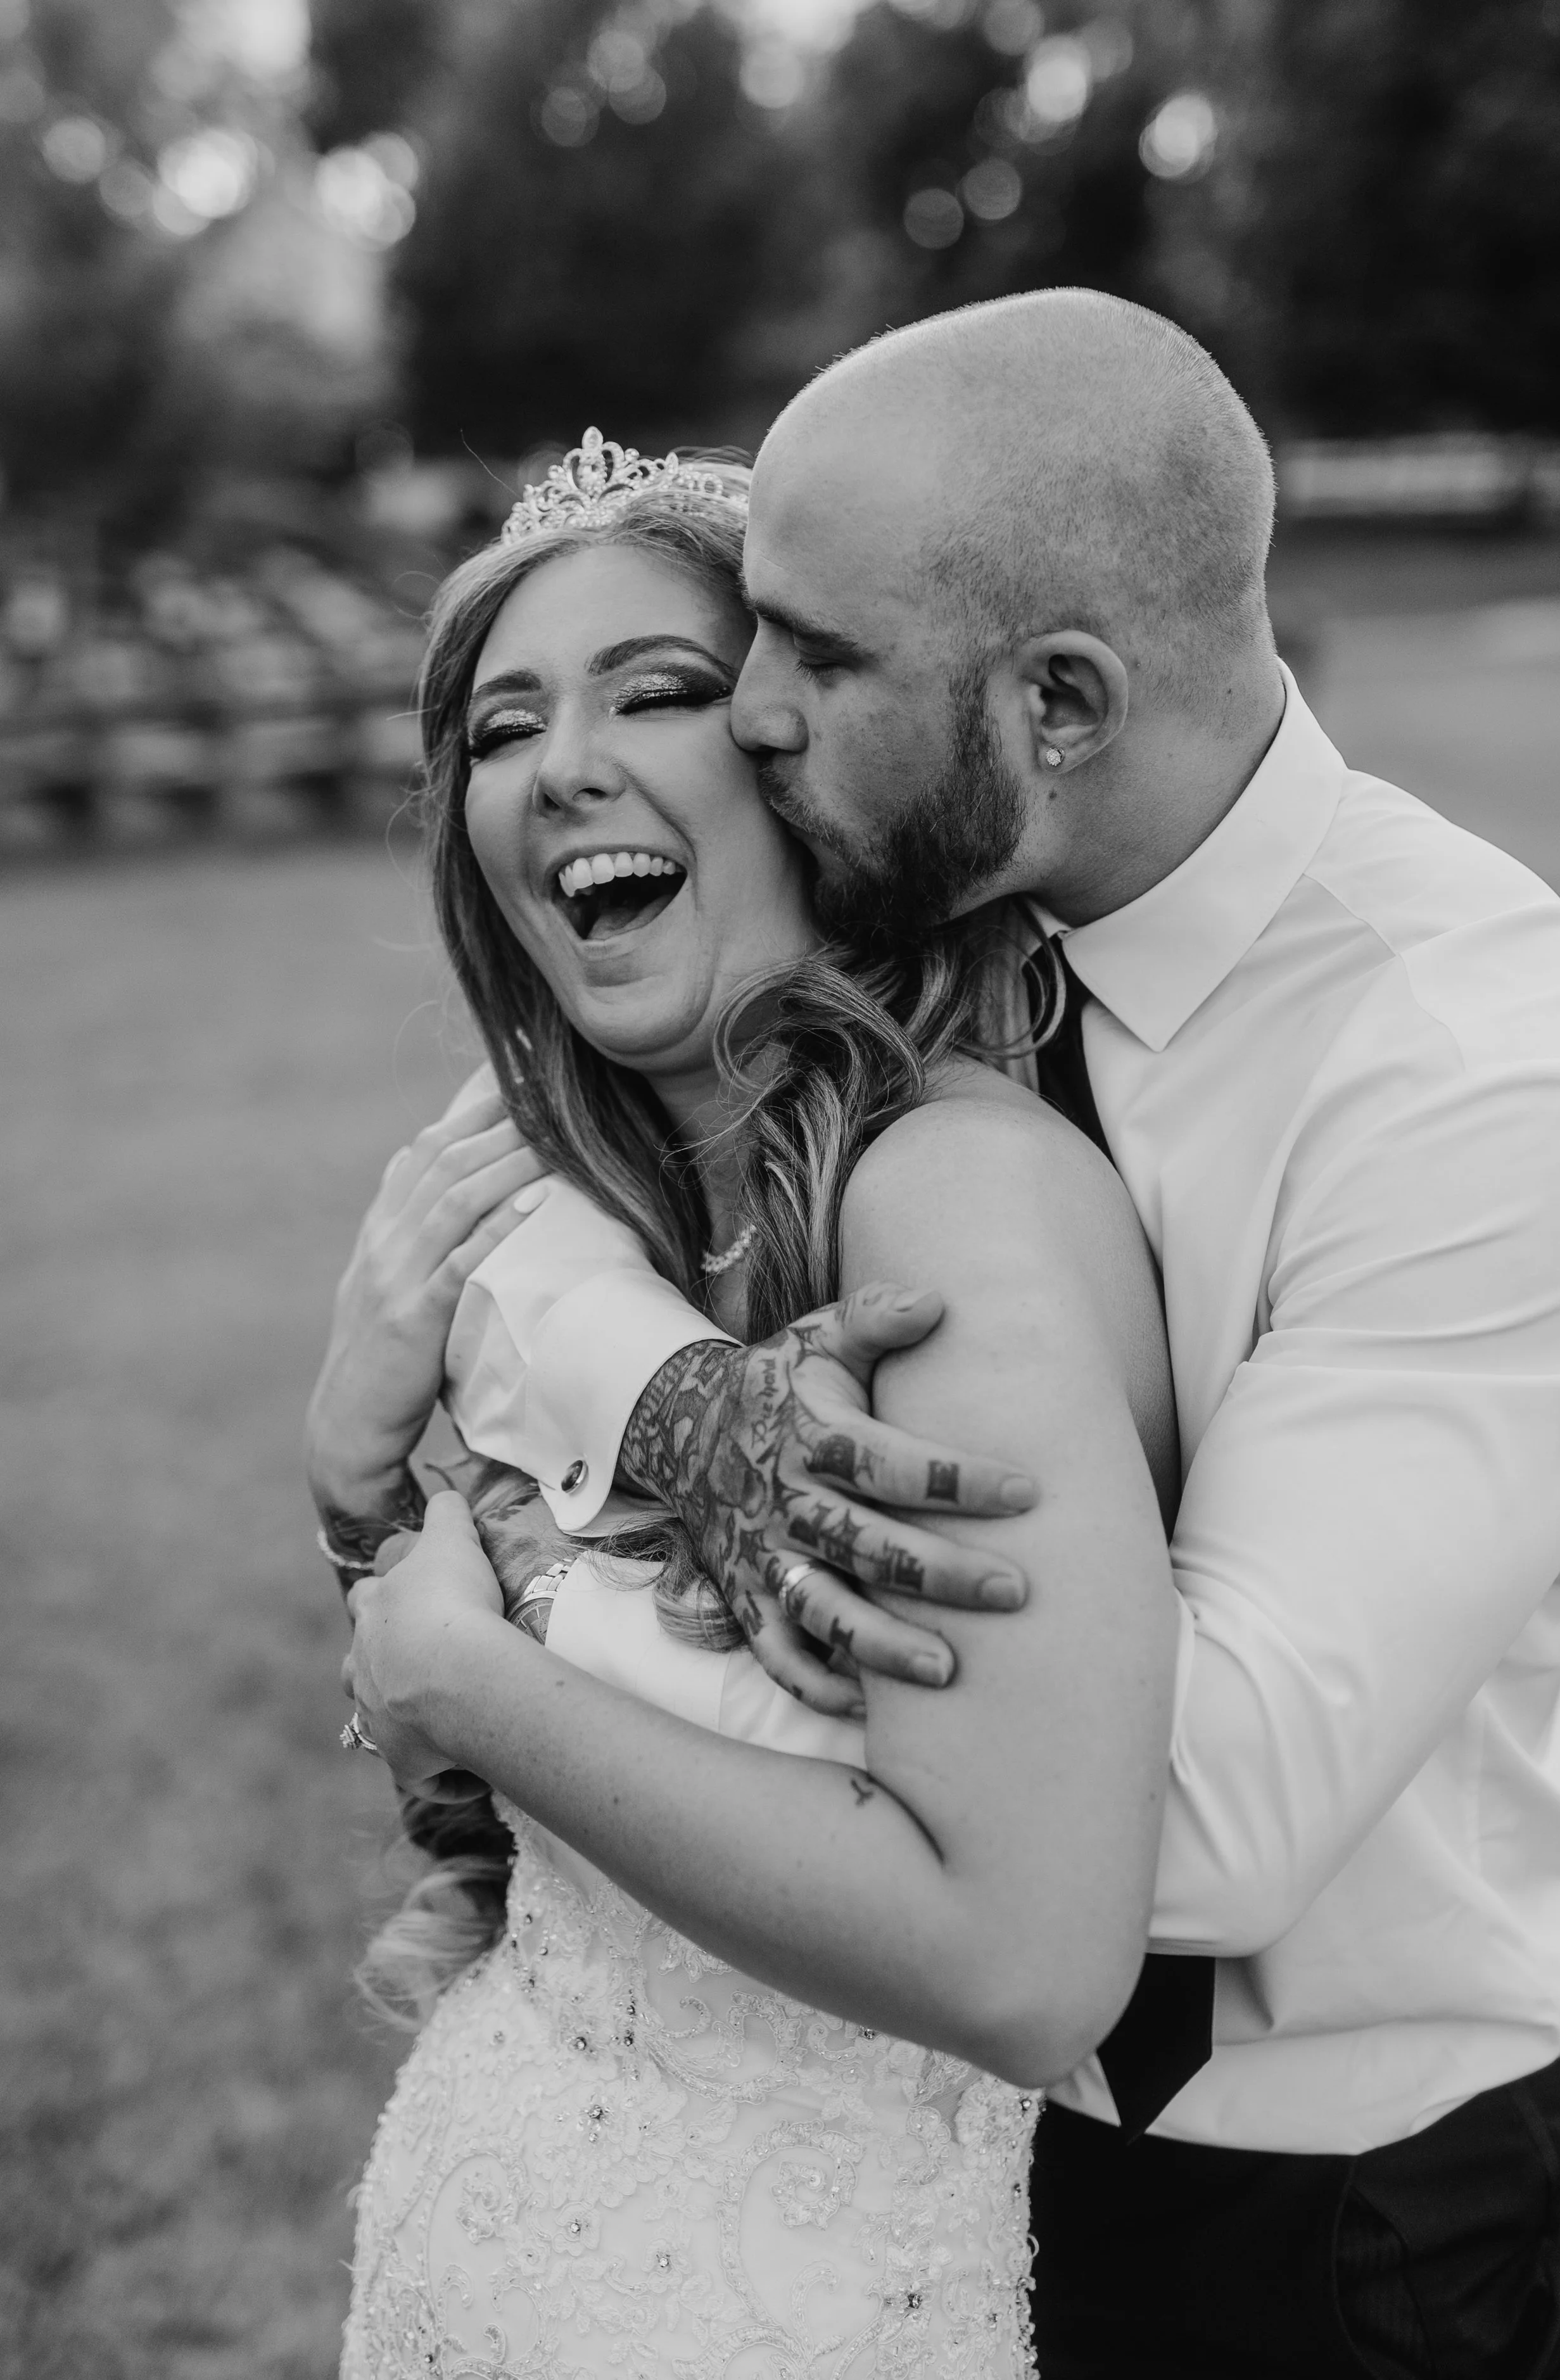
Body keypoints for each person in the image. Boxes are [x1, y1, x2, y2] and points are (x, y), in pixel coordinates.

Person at [339, 294, 1560, 2376]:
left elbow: (1169, 1821)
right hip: (915, 2168)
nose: (750, 719)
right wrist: (631, 1382)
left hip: (1329, 2216)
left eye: (809, 661)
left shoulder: (1473, 1069)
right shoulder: (913, 901)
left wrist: (493, 1657)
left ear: (1057, 703)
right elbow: (518, 1222)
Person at [316, 440, 1183, 2376]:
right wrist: (347, 1464)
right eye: (503, 725)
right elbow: (485, 1807)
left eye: (657, 692)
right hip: (483, 2235)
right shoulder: (554, 1206)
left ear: (808, 758)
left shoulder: (949, 1206)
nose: (561, 767)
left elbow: (1025, 1963)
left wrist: (466, 1681)